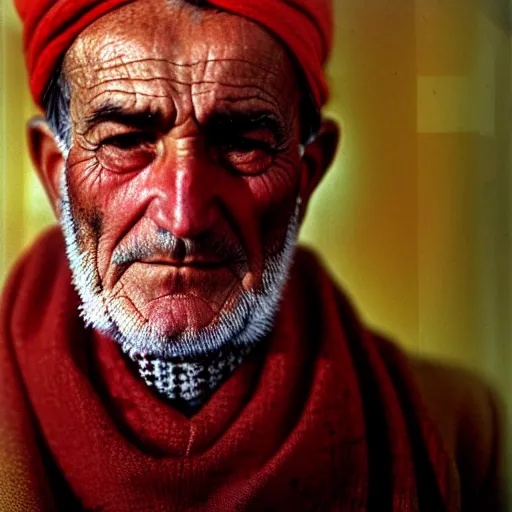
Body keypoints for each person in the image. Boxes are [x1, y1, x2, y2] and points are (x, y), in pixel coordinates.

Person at [0, 0, 506, 510]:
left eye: (243, 144)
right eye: (126, 141)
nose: (184, 216)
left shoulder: (457, 425)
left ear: (308, 175)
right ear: (54, 173)